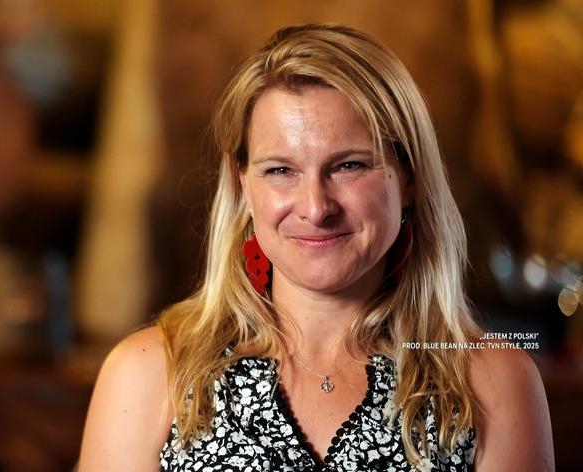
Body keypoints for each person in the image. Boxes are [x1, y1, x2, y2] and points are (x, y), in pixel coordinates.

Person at [78, 24, 554, 471]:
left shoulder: (494, 382)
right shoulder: (149, 375)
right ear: (243, 187)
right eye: (281, 170)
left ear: (408, 178)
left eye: (348, 166)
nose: (316, 207)